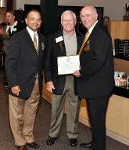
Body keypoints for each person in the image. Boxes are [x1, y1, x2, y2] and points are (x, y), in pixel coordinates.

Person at [74, 5, 114, 150]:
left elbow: (98, 60)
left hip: (99, 88)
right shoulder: (91, 32)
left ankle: (99, 146)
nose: (85, 19)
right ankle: (95, 143)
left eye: (88, 15)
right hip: (93, 86)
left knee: (97, 120)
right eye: (82, 16)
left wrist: (81, 72)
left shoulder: (100, 34)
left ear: (96, 16)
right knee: (94, 120)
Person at [5, 10, 46, 150]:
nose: (35, 22)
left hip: (35, 83)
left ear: (40, 22)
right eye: (32, 19)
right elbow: (10, 63)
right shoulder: (17, 38)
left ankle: (28, 137)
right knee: (17, 114)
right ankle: (19, 141)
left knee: (31, 113)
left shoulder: (42, 38)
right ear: (26, 21)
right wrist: (13, 83)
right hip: (19, 83)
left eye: (38, 19)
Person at [45, 10, 83, 147]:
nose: (67, 23)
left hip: (76, 80)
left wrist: (82, 70)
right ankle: (53, 134)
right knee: (56, 109)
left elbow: (87, 60)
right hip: (57, 80)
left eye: (70, 20)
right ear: (61, 22)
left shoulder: (83, 38)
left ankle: (72, 134)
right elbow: (47, 61)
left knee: (74, 108)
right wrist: (48, 80)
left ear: (75, 22)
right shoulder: (52, 38)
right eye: (64, 20)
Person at [0, 11, 25, 88]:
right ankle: (9, 83)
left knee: (17, 68)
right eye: (6, 16)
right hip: (7, 52)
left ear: (14, 17)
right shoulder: (6, 27)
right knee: (8, 67)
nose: (7, 18)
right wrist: (0, 35)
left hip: (18, 51)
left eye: (9, 16)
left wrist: (4, 34)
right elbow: (2, 40)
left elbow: (16, 38)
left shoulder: (20, 26)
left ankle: (18, 83)